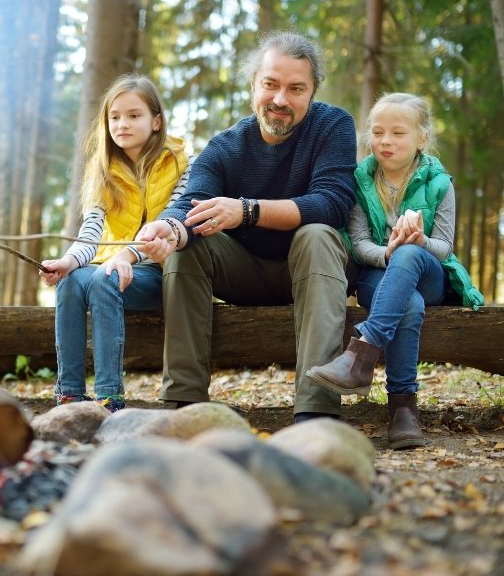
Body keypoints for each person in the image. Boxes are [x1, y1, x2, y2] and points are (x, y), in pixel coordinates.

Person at [138, 31, 357, 422]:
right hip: (244, 271)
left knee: (318, 233)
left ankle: (316, 411)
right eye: (270, 85)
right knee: (186, 244)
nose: (280, 100)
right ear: (253, 84)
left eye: (296, 89)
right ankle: (183, 404)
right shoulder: (226, 146)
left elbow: (333, 203)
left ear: (312, 92)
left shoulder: (332, 126)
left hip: (312, 269)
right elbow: (190, 205)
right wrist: (169, 230)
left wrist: (248, 210)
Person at [306, 92, 484, 449]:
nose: (385, 141)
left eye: (398, 133)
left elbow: (444, 247)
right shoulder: (359, 181)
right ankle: (404, 410)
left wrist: (416, 242)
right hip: (378, 274)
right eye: (378, 132)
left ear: (421, 138)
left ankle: (362, 353)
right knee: (410, 305)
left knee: (410, 255)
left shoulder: (439, 183)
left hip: (429, 273)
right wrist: (388, 252)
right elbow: (358, 243)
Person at [40, 73, 189, 412]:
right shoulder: (104, 168)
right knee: (71, 282)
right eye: (115, 117)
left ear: (156, 121)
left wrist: (126, 255)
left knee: (103, 277)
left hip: (161, 271)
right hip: (111, 268)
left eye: (134, 115)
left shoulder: (180, 164)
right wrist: (68, 261)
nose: (122, 124)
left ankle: (110, 398)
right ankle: (69, 394)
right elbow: (92, 228)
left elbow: (166, 226)